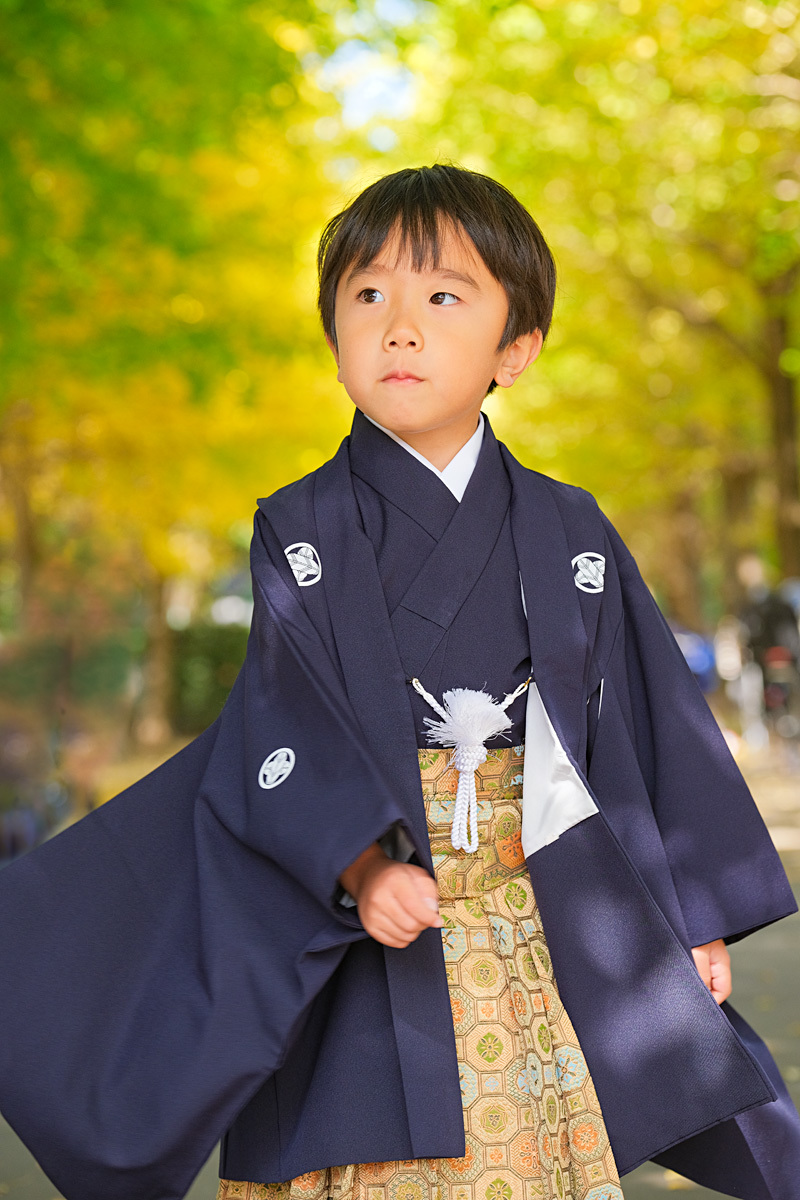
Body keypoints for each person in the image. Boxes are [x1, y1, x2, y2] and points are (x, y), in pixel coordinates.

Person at [0, 165, 799, 1200]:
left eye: (442, 297)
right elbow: (283, 713)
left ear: (517, 348)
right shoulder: (300, 528)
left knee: (539, 1156)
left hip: (535, 913)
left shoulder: (569, 528)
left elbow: (643, 721)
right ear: (333, 337)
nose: (399, 327)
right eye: (367, 295)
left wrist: (688, 917)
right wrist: (359, 862)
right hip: (373, 908)